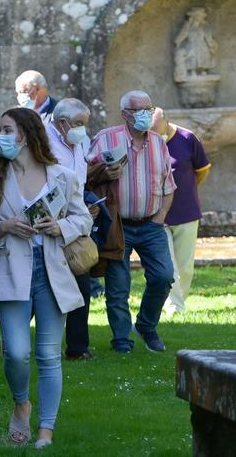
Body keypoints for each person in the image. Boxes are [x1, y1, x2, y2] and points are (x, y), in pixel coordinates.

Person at [0, 108, 92, 449]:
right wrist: (4, 226)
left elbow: (83, 219)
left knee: (49, 354)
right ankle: (21, 402)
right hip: (12, 270)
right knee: (16, 353)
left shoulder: (62, 175)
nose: (1, 136)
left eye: (7, 129)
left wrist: (61, 226)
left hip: (52, 270)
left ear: (26, 133)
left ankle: (46, 430)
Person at [87, 90, 176, 354]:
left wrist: (160, 218)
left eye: (149, 109)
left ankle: (146, 326)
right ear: (125, 114)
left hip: (151, 224)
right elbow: (84, 179)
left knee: (163, 277)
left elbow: (169, 186)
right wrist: (104, 171)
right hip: (117, 224)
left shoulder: (159, 143)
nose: (146, 115)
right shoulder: (106, 139)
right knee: (117, 288)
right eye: (140, 110)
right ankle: (122, 341)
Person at [44, 98, 96, 361]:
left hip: (75, 219)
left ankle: (78, 347)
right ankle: (12, 341)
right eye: (79, 124)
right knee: (40, 285)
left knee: (81, 281)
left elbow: (80, 180)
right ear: (62, 122)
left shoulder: (79, 141)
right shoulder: (42, 142)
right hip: (47, 221)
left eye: (85, 125)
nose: (83, 130)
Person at [152, 107, 211, 315]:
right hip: (157, 214)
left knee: (185, 267)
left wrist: (186, 189)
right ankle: (174, 308)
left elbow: (202, 170)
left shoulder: (187, 138)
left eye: (156, 128)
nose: (154, 133)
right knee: (168, 266)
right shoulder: (147, 141)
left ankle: (177, 303)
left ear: (167, 122)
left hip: (186, 212)